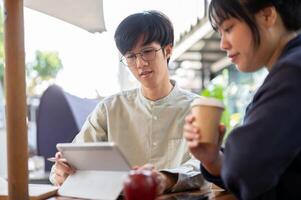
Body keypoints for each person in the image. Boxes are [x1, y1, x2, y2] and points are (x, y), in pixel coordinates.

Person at [50, 10, 205, 193]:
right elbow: (70, 160)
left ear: (167, 50)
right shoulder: (108, 110)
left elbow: (207, 165)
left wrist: (165, 178)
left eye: (147, 52)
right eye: (131, 56)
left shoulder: (198, 109)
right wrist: (61, 172)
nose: (140, 63)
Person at [184, 0, 301, 199]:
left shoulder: (293, 71)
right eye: (219, 32)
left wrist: (232, 158)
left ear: (267, 16)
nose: (223, 44)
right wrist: (213, 160)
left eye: (228, 28)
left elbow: (244, 167)